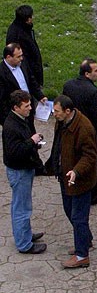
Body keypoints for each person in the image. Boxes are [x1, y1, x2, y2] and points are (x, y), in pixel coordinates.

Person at [45, 95, 97, 269]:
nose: (54, 114)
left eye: (57, 111)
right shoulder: (62, 122)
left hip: (80, 181)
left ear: (67, 111)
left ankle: (82, 255)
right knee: (69, 211)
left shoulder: (84, 127)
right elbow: (58, 145)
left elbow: (90, 156)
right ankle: (85, 239)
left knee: (78, 217)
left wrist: (76, 171)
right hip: (65, 176)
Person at [63, 59, 97, 205]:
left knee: (76, 159)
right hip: (90, 134)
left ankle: (74, 186)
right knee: (92, 162)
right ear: (87, 74)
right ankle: (93, 195)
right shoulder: (93, 92)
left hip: (72, 130)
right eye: (96, 70)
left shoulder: (68, 86)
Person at [2, 90, 47, 254]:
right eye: (26, 106)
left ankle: (24, 235)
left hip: (23, 169)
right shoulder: (12, 126)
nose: (30, 108)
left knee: (20, 206)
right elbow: (15, 152)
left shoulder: (19, 119)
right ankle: (24, 244)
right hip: (19, 171)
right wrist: (32, 141)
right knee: (22, 208)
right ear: (16, 107)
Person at [0, 43, 47, 130]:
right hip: (15, 114)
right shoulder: (1, 73)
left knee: (31, 130)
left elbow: (31, 80)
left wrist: (40, 96)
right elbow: (1, 100)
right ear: (8, 57)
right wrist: (6, 120)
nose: (21, 58)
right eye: (18, 56)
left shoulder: (23, 63)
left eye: (21, 55)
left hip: (28, 108)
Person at [5, 5, 44, 87]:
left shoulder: (24, 28)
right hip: (28, 69)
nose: (33, 17)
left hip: (31, 66)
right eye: (31, 16)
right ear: (28, 19)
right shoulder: (16, 34)